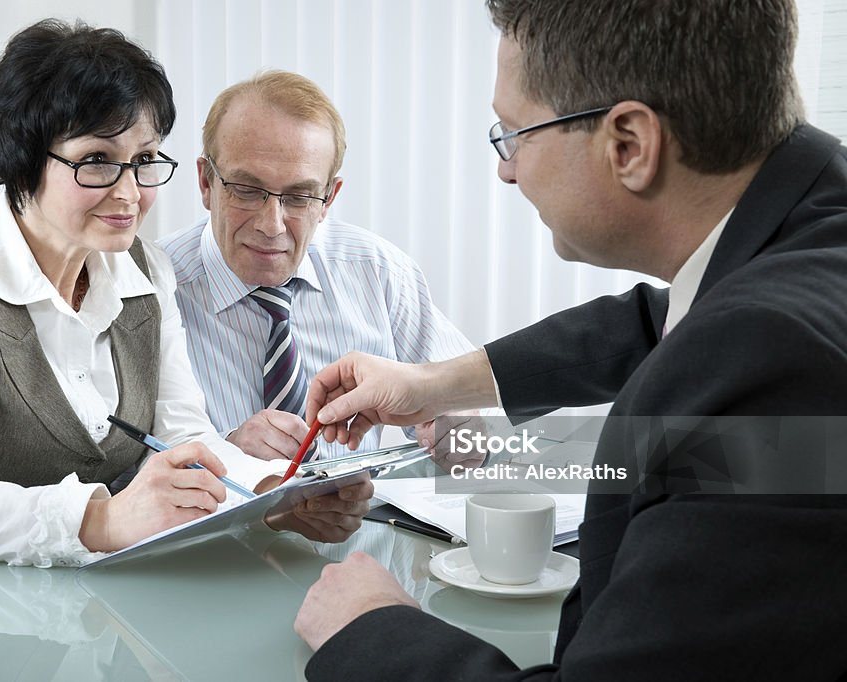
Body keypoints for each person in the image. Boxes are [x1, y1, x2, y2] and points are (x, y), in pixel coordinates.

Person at [292, 0, 847, 679]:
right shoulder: (810, 224)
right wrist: (430, 384)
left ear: (629, 146)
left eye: (514, 133)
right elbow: (659, 321)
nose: (506, 170)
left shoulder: (767, 364)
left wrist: (372, 629)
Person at [0, 19, 371, 566]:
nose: (130, 192)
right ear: (22, 156)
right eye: (98, 161)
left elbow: (186, 436)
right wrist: (100, 519)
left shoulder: (145, 272)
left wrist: (276, 496)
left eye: (143, 159)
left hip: (49, 600)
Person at [159, 70, 475, 463]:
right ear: (206, 182)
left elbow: (472, 421)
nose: (271, 225)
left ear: (329, 199)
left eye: (299, 196)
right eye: (247, 190)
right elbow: (119, 473)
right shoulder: (150, 290)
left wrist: (462, 435)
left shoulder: (377, 272)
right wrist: (225, 455)